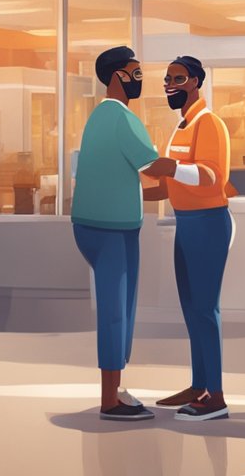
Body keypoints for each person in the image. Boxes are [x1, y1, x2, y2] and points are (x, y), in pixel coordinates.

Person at [71, 46, 178, 421]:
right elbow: (153, 165)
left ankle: (114, 388)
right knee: (117, 310)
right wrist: (193, 167)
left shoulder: (98, 116)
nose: (140, 80)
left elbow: (122, 176)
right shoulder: (122, 118)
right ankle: (109, 400)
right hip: (111, 229)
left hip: (98, 224)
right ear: (117, 76)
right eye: (135, 73)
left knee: (119, 308)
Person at [144, 55, 235, 421]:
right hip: (185, 222)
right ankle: (199, 384)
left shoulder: (208, 123)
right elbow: (170, 187)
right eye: (166, 78)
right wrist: (131, 194)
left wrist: (173, 167)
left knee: (205, 309)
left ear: (196, 81)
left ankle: (216, 396)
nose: (169, 84)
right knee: (191, 309)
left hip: (209, 223)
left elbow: (214, 177)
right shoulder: (181, 127)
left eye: (177, 78)